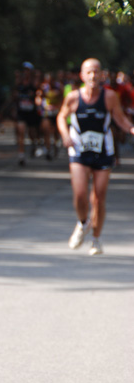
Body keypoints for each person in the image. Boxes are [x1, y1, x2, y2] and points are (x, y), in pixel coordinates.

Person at [57, 58, 134, 255]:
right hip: (79, 150)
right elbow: (60, 117)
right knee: (80, 194)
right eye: (89, 72)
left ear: (102, 75)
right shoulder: (74, 97)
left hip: (103, 151)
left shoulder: (109, 97)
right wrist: (65, 135)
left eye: (96, 72)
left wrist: (131, 129)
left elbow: (119, 118)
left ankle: (96, 239)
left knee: (98, 198)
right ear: (82, 76)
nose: (93, 75)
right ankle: (83, 223)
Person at [12, 62, 40, 165]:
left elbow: (37, 88)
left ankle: (34, 144)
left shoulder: (33, 82)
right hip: (21, 112)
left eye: (28, 70)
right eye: (24, 70)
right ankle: (21, 154)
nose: (25, 72)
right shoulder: (19, 83)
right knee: (21, 131)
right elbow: (14, 95)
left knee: (32, 132)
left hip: (31, 112)